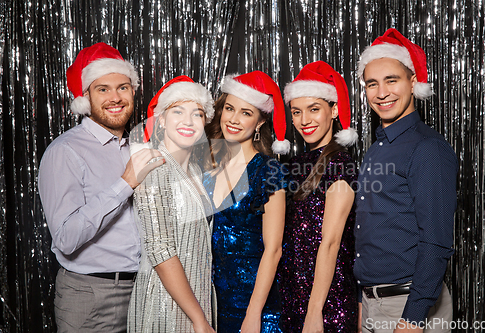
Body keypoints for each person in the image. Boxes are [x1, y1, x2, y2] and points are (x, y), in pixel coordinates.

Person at [38, 42, 163, 332]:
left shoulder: (139, 146)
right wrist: (125, 184)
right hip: (91, 296)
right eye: (102, 89)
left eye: (123, 87)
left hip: (145, 290)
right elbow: (66, 238)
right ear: (86, 98)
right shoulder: (65, 151)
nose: (115, 97)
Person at [354, 28, 458, 333]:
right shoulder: (377, 148)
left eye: (392, 80)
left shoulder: (427, 149)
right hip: (374, 303)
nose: (381, 93)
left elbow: (436, 241)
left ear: (413, 82)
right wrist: (363, 303)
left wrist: (412, 319)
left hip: (408, 305)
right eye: (372, 84)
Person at [127, 76, 216, 333]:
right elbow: (160, 251)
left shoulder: (197, 171)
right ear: (162, 120)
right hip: (163, 305)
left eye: (197, 114)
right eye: (177, 111)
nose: (188, 121)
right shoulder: (153, 168)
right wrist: (199, 319)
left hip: (196, 298)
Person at [203, 71, 289, 332]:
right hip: (213, 301)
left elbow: (273, 250)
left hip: (255, 303)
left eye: (246, 113)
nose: (234, 119)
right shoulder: (209, 168)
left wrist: (254, 314)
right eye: (230, 108)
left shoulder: (269, 171)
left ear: (261, 121)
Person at [278, 60, 359, 332]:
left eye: (314, 110)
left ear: (334, 110)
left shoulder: (341, 164)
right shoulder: (292, 165)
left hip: (327, 302)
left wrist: (315, 312)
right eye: (296, 111)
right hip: (291, 297)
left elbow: (331, 242)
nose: (304, 121)